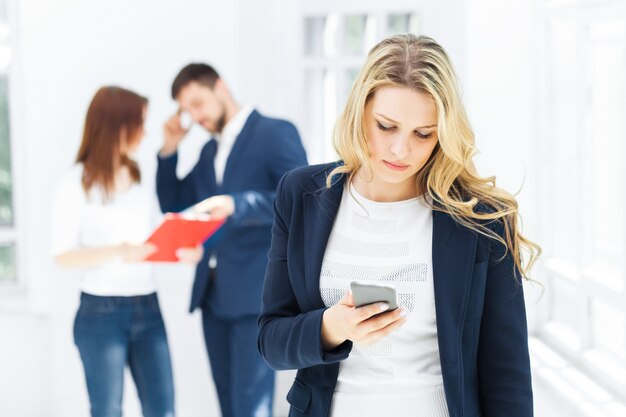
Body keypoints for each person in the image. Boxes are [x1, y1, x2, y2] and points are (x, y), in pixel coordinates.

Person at [258, 34, 541, 417]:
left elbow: (507, 378)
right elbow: (271, 340)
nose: (400, 150)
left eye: (423, 134)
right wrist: (331, 326)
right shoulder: (301, 194)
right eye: (386, 126)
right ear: (360, 111)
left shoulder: (481, 220)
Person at [156, 63, 308, 417]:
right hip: (213, 298)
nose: (195, 117)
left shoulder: (274, 132)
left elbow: (300, 201)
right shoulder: (209, 153)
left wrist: (236, 204)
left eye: (198, 104)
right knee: (229, 408)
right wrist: (168, 151)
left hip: (255, 298)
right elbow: (176, 206)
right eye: (187, 110)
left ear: (220, 88)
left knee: (250, 409)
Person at [51, 86, 202, 417]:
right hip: (100, 313)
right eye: (139, 123)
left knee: (162, 410)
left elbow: (148, 242)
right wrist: (118, 251)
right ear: (116, 126)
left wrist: (180, 250)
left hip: (148, 307)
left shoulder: (138, 175)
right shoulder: (76, 183)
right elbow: (62, 256)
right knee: (108, 410)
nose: (144, 133)